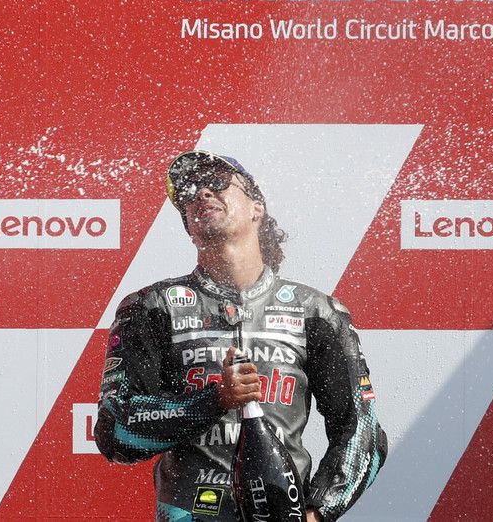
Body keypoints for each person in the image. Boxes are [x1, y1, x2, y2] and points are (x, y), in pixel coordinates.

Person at [96, 151, 387, 521]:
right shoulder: (152, 307)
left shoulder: (316, 311)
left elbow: (362, 434)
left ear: (256, 208)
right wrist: (214, 400)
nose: (201, 193)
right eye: (188, 192)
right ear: (188, 226)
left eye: (216, 182)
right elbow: (115, 431)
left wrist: (316, 513)